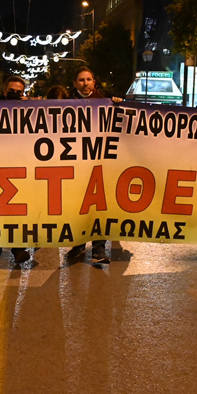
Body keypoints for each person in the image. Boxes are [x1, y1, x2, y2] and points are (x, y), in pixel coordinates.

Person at [66, 66, 118, 264]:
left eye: (88, 79)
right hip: (75, 165)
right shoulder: (64, 104)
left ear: (94, 82)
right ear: (74, 83)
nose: (85, 83)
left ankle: (98, 249)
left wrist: (118, 104)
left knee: (99, 207)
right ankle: (78, 244)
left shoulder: (106, 103)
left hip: (99, 164)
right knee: (77, 207)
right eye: (81, 80)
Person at [0, 76, 32, 264]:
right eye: (11, 91)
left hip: (18, 164)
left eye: (19, 92)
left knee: (16, 208)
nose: (15, 94)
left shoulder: (28, 108)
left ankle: (17, 247)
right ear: (4, 91)